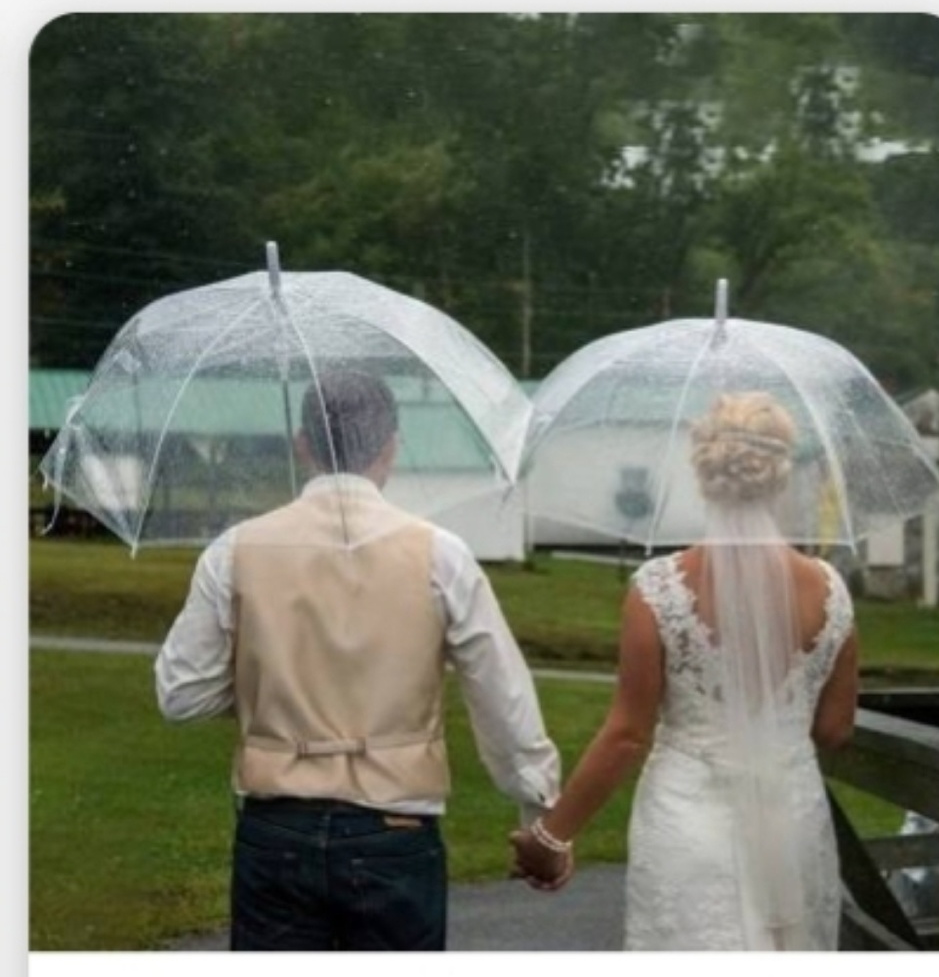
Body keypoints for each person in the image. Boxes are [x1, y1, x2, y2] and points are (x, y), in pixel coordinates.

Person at [155, 368, 560, 951]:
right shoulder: (440, 556)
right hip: (394, 826)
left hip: (278, 828)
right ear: (390, 444)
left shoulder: (235, 550)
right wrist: (538, 814)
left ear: (303, 444)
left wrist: (270, 684)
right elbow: (502, 695)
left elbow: (181, 693)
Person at [510, 390, 859, 950]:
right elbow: (836, 729)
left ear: (702, 472)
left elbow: (627, 734)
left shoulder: (660, 588)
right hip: (791, 819)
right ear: (780, 476)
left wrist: (552, 837)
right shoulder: (829, 590)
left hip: (689, 819)